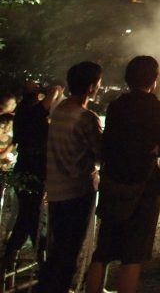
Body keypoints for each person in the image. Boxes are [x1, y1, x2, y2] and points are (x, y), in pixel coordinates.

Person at [85, 56, 160, 293]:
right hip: (144, 186)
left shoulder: (116, 106)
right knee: (134, 252)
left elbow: (110, 142)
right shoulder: (156, 107)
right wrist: (155, 146)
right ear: (154, 79)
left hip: (113, 180)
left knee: (104, 247)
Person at [38, 62, 103, 293]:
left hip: (56, 190)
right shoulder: (86, 117)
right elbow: (102, 152)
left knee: (57, 251)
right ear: (91, 86)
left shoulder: (59, 111)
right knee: (70, 253)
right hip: (78, 191)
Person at [3, 81, 62, 272]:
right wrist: (53, 93)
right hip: (33, 171)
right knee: (32, 214)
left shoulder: (23, 111)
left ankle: (12, 255)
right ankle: (42, 256)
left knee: (28, 214)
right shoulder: (31, 111)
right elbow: (50, 96)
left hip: (24, 169)